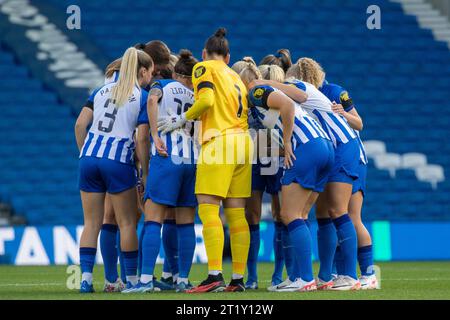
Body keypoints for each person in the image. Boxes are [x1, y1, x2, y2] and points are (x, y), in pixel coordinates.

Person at [158, 28, 253, 293]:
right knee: (236, 214)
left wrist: (180, 118)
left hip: (219, 141)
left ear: (204, 53)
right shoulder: (235, 74)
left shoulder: (203, 68)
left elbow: (207, 100)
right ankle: (237, 278)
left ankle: (214, 275)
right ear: (228, 55)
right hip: (244, 143)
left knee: (209, 209)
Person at [266, 59, 362, 291]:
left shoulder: (307, 89)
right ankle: (325, 275)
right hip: (330, 148)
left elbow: (359, 123)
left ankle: (351, 274)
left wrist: (259, 82)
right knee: (322, 214)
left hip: (341, 147)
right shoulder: (311, 92)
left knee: (337, 211)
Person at [239, 63, 334, 291]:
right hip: (324, 147)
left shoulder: (256, 91)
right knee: (299, 215)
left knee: (288, 214)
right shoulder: (260, 100)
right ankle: (298, 276)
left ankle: (305, 279)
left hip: (306, 148)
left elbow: (288, 105)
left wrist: (289, 140)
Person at [74, 47, 153, 293]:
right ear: (143, 71)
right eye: (151, 72)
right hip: (117, 160)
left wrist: (84, 151)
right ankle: (130, 281)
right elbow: (141, 139)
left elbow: (80, 124)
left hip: (89, 158)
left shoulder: (100, 90)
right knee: (127, 222)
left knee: (91, 223)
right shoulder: (141, 96)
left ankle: (86, 279)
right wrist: (144, 171)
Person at [122, 50, 199, 293]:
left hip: (167, 157)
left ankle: (145, 281)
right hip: (191, 159)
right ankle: (183, 280)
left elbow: (152, 100)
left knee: (154, 219)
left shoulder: (162, 84)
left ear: (175, 72)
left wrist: (155, 135)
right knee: (186, 223)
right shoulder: (195, 94)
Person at [311, 59, 377, 290]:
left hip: (352, 158)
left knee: (351, 215)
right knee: (334, 215)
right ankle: (340, 272)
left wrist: (342, 112)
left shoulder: (335, 91)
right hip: (335, 158)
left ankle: (368, 273)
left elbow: (359, 123)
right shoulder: (307, 96)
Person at [238, 63, 286, 290]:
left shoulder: (279, 97)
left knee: (280, 215)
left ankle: (278, 275)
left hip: (276, 157)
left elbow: (275, 124)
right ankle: (253, 276)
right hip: (256, 158)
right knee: (253, 216)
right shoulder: (252, 97)